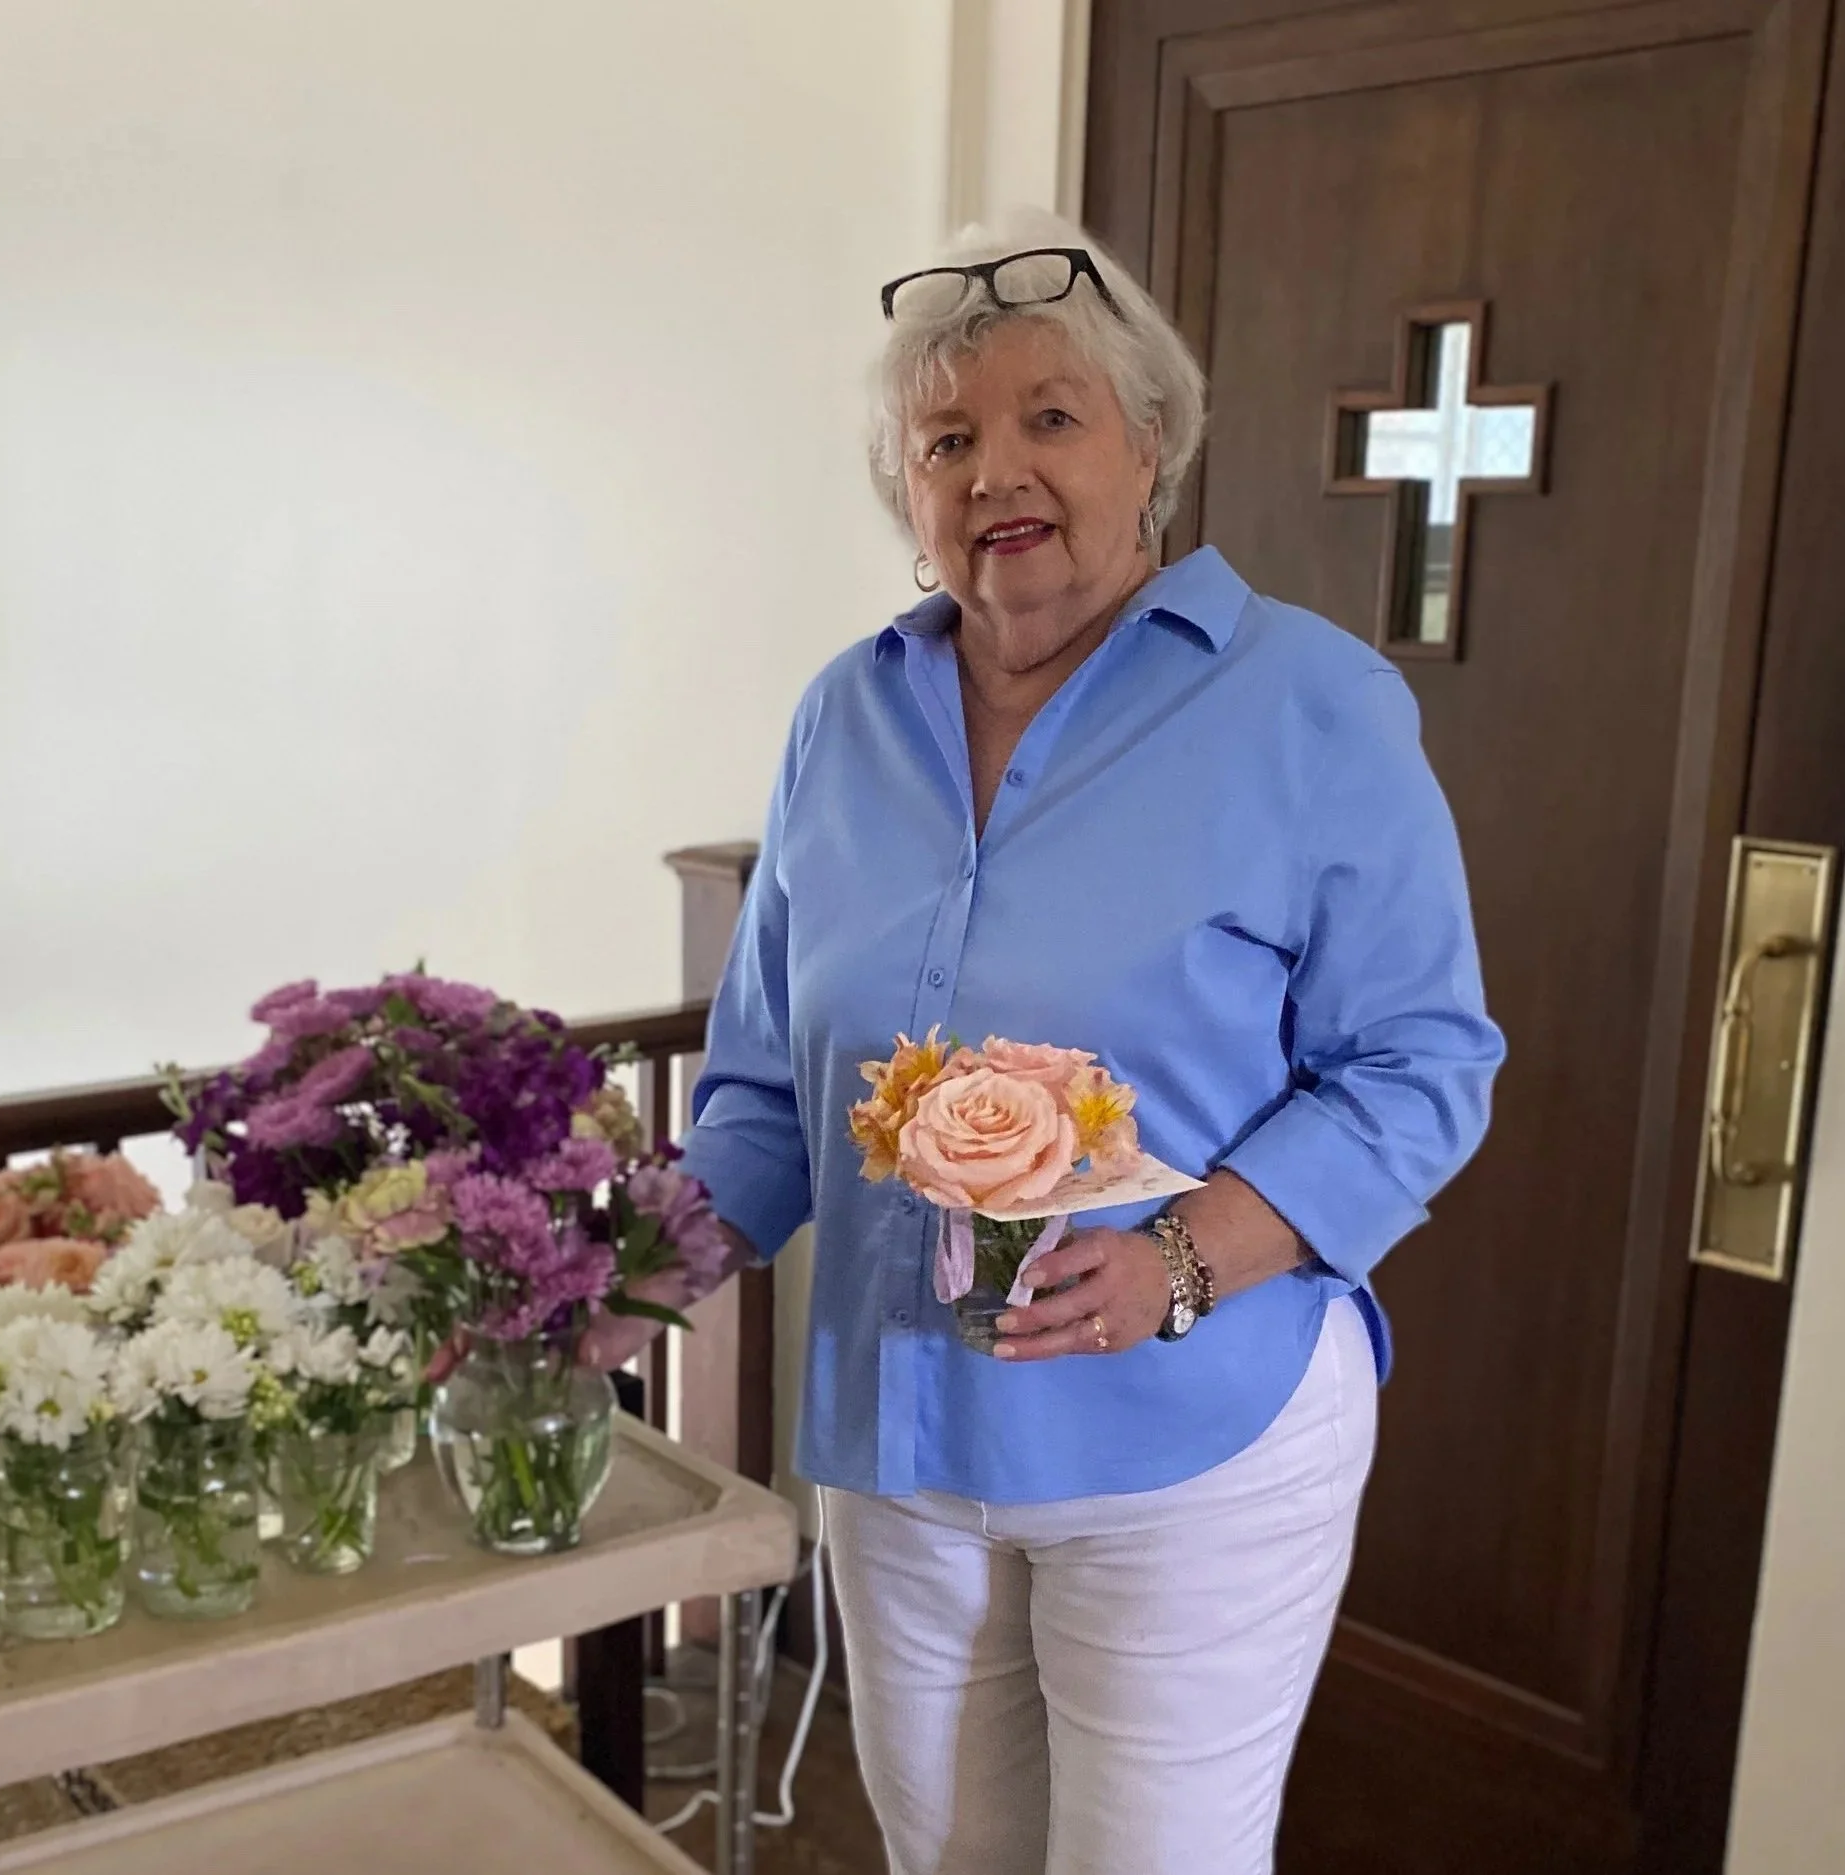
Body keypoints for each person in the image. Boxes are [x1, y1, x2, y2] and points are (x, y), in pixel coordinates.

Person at [585, 208, 1503, 1875]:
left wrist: (1183, 1250)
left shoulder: (1309, 704)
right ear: (907, 495)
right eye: (948, 439)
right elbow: (758, 1091)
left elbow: (1424, 1066)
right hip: (903, 1437)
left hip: (1191, 1432)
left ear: (1150, 445)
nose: (996, 469)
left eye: (1050, 418)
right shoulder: (840, 719)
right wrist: (606, 1278)